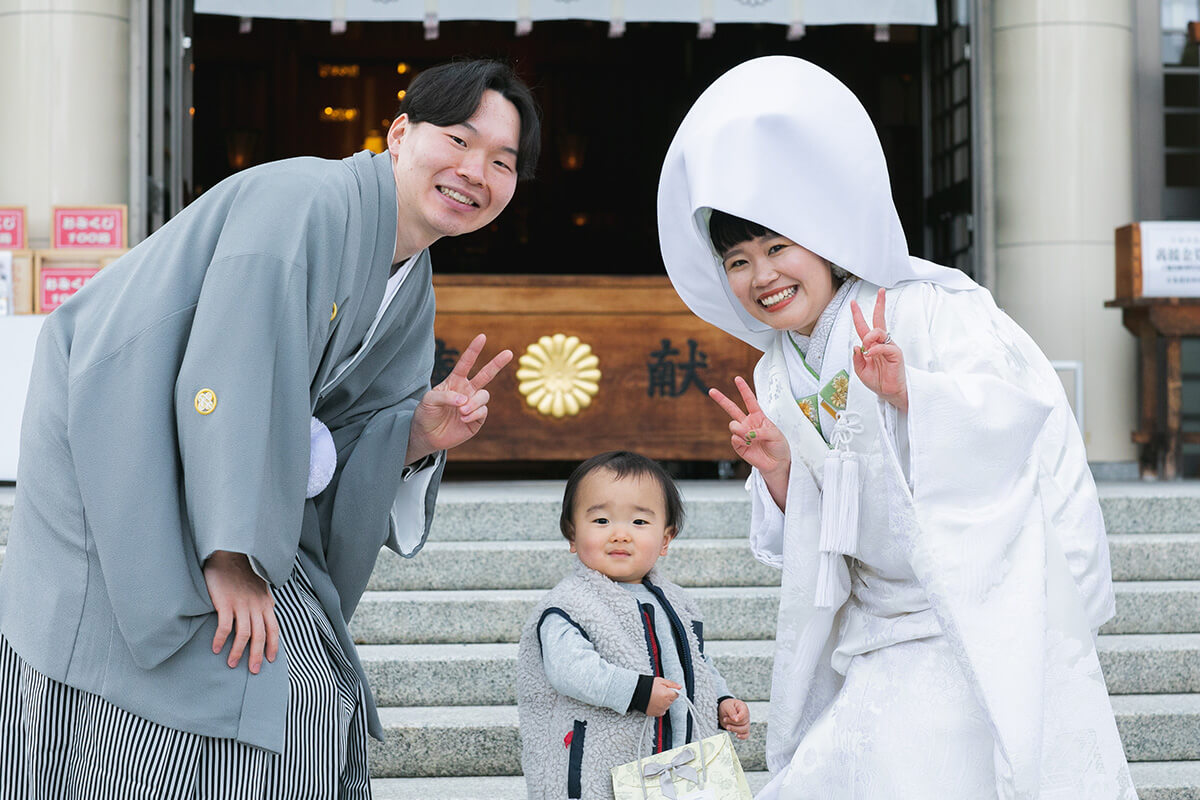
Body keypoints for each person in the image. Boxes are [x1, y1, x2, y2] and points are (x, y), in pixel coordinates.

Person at [0, 59, 540, 798]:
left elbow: (342, 432)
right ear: (400, 132)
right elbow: (230, 369)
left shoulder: (410, 281)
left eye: (502, 163)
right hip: (124, 449)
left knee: (307, 687)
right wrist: (231, 555)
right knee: (225, 680)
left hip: (224, 488)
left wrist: (415, 436)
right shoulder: (304, 202)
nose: (475, 171)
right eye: (458, 140)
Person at [657, 56, 1135, 799]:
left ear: (824, 235)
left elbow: (1021, 427)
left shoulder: (928, 308)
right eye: (739, 260)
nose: (762, 276)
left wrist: (916, 392)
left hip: (969, 615)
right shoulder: (781, 371)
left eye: (779, 247)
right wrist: (780, 470)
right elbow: (815, 529)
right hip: (878, 626)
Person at [517, 451, 750, 800]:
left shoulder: (677, 602)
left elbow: (698, 664)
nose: (621, 534)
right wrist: (637, 692)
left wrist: (721, 698)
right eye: (601, 521)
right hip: (600, 759)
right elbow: (569, 669)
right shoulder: (569, 605)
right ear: (571, 534)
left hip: (675, 763)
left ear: (666, 539)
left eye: (639, 523)